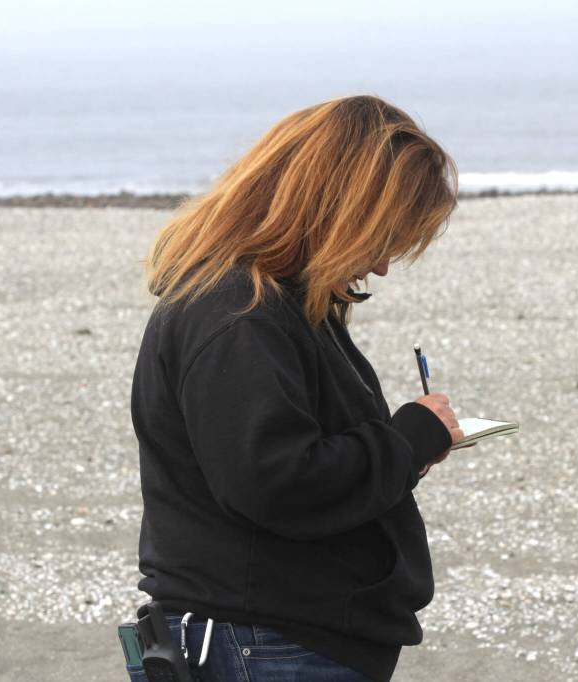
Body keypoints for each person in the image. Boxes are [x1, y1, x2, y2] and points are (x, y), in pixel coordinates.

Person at [128, 94, 468, 682]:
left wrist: (401, 450)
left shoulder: (270, 301)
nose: (383, 266)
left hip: (280, 635)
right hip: (265, 641)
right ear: (337, 210)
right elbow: (278, 483)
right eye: (383, 237)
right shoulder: (239, 312)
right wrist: (406, 442)